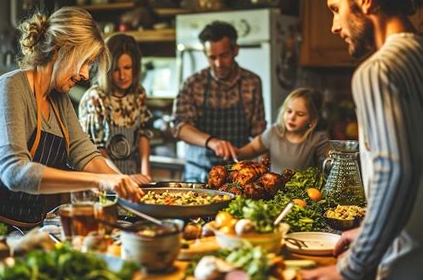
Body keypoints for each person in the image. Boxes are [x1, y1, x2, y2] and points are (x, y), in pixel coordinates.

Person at [0, 7, 143, 234]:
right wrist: (99, 181)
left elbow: (86, 155)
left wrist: (122, 184)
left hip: (26, 230)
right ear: (59, 50)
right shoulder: (9, 88)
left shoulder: (59, 100)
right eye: (84, 62)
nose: (84, 75)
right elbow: (15, 173)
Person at [301, 0, 423, 280]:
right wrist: (370, 228)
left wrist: (351, 268)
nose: (333, 26)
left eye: (336, 8)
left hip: (406, 270)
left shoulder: (378, 71)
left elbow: (396, 172)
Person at [172, 21, 266, 182]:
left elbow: (260, 133)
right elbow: (180, 128)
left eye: (224, 55)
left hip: (238, 175)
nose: (218, 63)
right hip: (198, 175)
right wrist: (212, 142)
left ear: (235, 50)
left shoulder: (252, 82)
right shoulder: (194, 83)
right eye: (212, 57)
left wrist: (264, 169)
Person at [79, 34, 152, 185]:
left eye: (127, 68)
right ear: (106, 70)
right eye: (116, 69)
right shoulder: (95, 98)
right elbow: (95, 150)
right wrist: (120, 179)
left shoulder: (138, 94)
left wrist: (146, 175)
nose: (122, 75)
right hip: (104, 180)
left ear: (135, 67)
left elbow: (144, 134)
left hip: (133, 176)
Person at [236, 87, 330, 173]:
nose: (291, 117)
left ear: (312, 120)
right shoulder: (274, 132)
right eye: (289, 111)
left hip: (307, 191)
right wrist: (235, 152)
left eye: (300, 114)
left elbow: (330, 165)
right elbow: (253, 148)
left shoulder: (318, 140)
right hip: (275, 190)